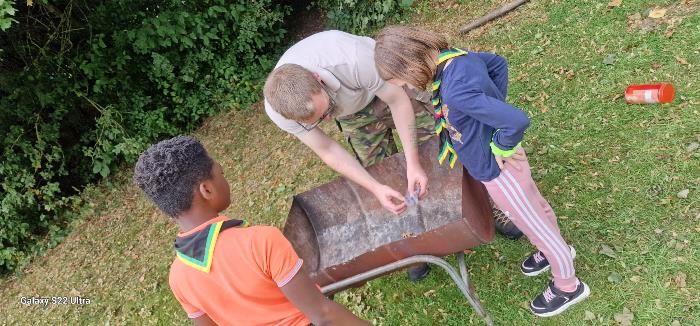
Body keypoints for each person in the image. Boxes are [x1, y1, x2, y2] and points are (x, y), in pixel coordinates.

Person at [263, 31, 522, 281]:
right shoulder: (280, 111)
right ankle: (419, 239)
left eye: (326, 110)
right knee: (381, 171)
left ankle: (493, 201)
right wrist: (375, 187)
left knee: (449, 138)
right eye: (319, 120)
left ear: (319, 79)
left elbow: (398, 102)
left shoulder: (354, 58)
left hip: (381, 87)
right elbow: (328, 149)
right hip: (354, 116)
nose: (328, 120)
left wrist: (413, 163)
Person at [373, 26, 590, 317]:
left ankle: (568, 285)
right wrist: (488, 112)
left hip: (498, 171)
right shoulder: (457, 60)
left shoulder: (456, 91)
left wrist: (498, 144)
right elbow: (498, 64)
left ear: (409, 65)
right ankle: (554, 251)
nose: (406, 88)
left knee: (530, 219)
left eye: (401, 81)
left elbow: (516, 121)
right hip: (499, 168)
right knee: (533, 210)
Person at [133, 135, 368, 325]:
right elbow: (323, 314)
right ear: (206, 190)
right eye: (221, 173)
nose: (224, 179)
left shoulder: (178, 277)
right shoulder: (259, 241)